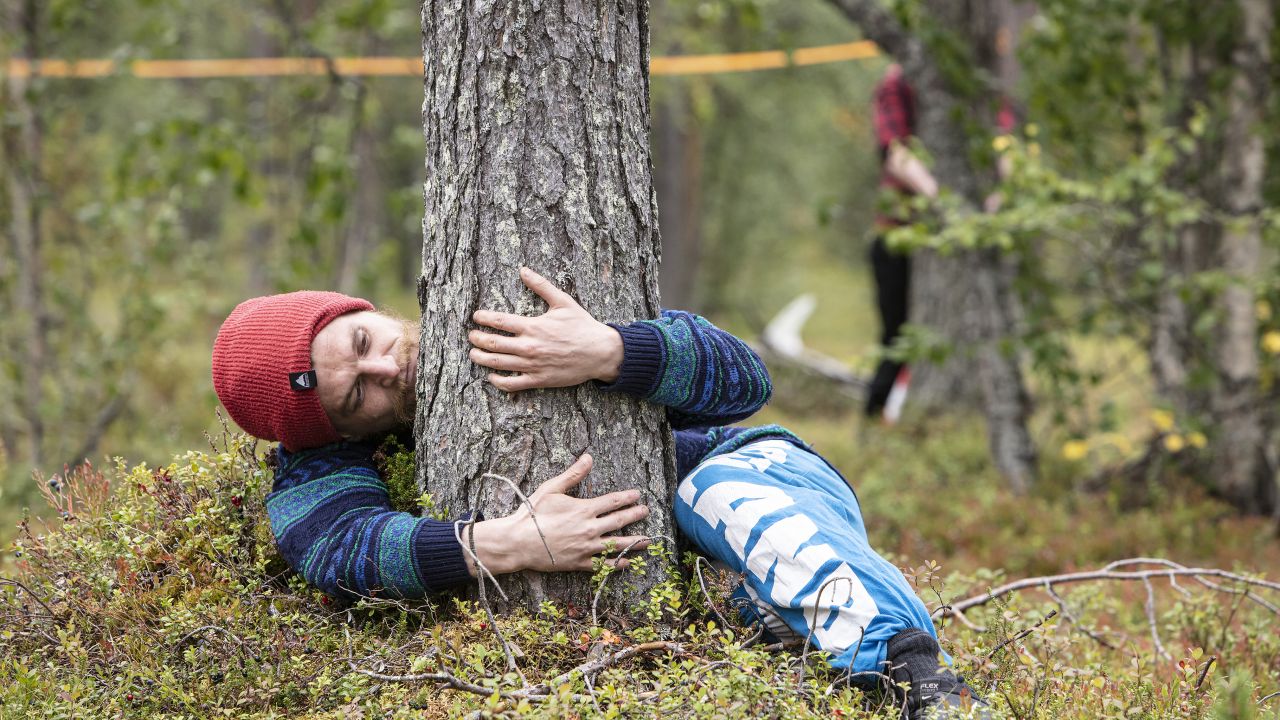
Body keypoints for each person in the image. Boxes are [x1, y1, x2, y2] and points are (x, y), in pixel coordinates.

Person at [211, 267, 989, 718]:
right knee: (753, 619)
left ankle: (924, 682)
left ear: (358, 308)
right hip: (703, 568)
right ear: (332, 432)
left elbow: (745, 378)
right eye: (357, 397)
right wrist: (504, 544)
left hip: (758, 474)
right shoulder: (323, 467)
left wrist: (616, 350)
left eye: (364, 340)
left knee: (716, 493)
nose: (387, 370)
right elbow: (337, 549)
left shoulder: (499, 314)